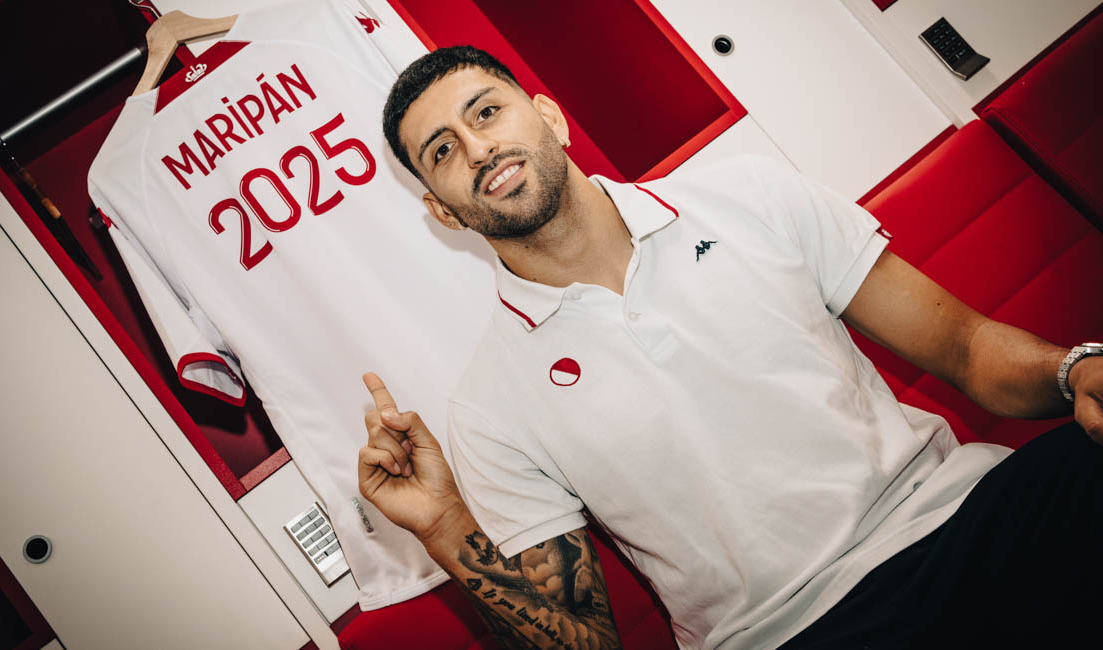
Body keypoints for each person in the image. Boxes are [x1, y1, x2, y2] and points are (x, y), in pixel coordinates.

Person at [357, 46, 1103, 649]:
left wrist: (1075, 370)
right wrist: (446, 528)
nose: (479, 147)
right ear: (443, 211)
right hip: (794, 634)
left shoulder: (748, 194)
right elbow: (586, 643)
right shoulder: (488, 405)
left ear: (548, 116)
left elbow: (967, 347)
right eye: (443, 151)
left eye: (487, 112)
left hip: (964, 518)